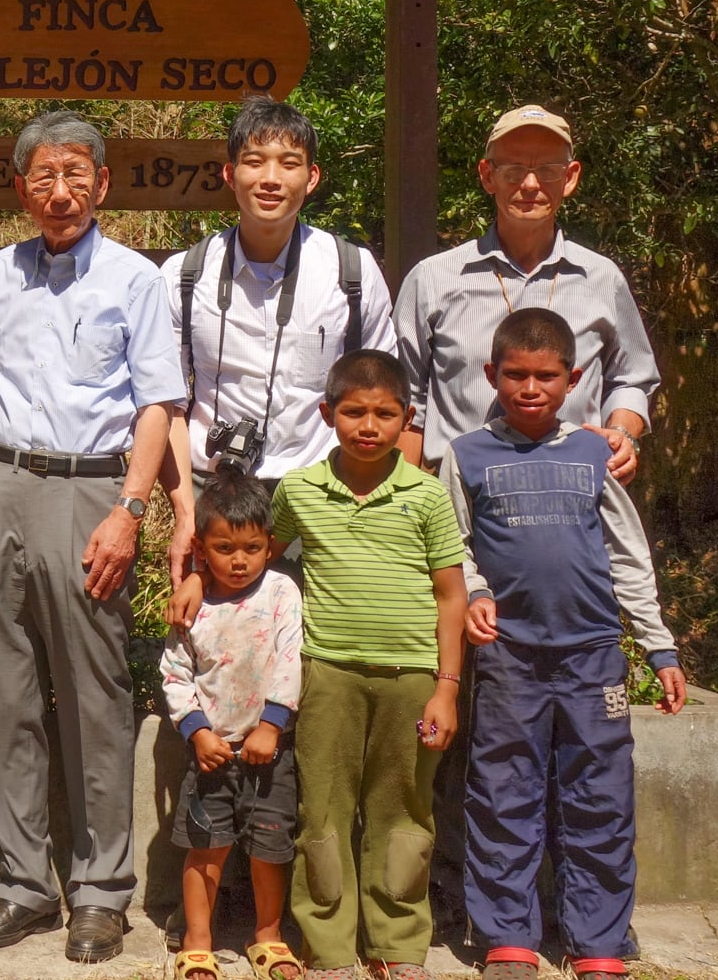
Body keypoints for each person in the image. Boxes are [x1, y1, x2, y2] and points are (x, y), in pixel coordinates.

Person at [0, 110, 185, 965]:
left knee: (94, 696)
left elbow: (158, 401)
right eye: (44, 176)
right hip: (3, 487)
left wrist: (130, 509)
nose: (61, 191)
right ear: (21, 188)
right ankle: (22, 885)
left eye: (76, 174)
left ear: (103, 183)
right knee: (1, 688)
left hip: (93, 488)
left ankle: (100, 892)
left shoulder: (135, 279)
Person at [440, 309, 688, 980]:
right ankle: (507, 937)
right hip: (509, 660)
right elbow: (451, 546)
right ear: (491, 374)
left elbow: (629, 556)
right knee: (502, 793)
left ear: (573, 379)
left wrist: (659, 647)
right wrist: (478, 591)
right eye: (514, 373)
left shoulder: (593, 453)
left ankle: (598, 939)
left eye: (545, 375)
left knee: (600, 796)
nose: (529, 387)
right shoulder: (464, 455)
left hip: (592, 656)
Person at [270, 350, 466, 980]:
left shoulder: (427, 495)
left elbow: (451, 595)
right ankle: (328, 948)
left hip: (412, 680)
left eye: (385, 414)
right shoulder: (299, 491)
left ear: (407, 419)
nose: (368, 425)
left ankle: (397, 945)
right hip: (327, 675)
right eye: (354, 411)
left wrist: (446, 689)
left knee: (404, 811)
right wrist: (197, 582)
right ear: (327, 413)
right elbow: (255, 551)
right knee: (322, 810)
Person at [158, 97, 397, 593]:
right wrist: (185, 514)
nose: (271, 178)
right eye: (254, 161)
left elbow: (384, 398)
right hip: (214, 493)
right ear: (229, 174)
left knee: (319, 651)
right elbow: (168, 405)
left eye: (289, 164)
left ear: (311, 178)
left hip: (323, 494)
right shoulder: (185, 276)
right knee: (212, 652)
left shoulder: (350, 272)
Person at [394, 106, 659, 482]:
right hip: (459, 500)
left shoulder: (602, 278)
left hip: (574, 495)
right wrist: (409, 501)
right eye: (514, 170)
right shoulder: (434, 279)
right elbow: (405, 399)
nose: (531, 184)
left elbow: (632, 378)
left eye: (548, 171)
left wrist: (623, 435)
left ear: (570, 178)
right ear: (488, 176)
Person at [158, 469, 304, 980]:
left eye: (252, 547)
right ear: (200, 548)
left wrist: (272, 725)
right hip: (210, 754)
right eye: (224, 548)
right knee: (205, 848)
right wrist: (197, 731)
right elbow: (175, 674)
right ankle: (198, 941)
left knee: (270, 845)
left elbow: (291, 659)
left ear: (269, 545)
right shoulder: (190, 607)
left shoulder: (282, 592)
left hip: (271, 750)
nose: (239, 561)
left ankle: (267, 935)